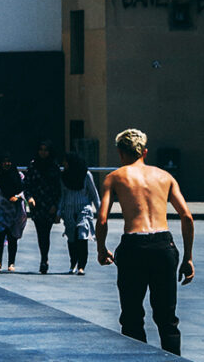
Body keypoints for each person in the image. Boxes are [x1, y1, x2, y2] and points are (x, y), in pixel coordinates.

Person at [97, 128, 194, 356]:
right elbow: (187, 217)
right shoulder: (165, 177)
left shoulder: (115, 177)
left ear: (120, 153)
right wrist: (188, 257)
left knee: (131, 316)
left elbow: (102, 219)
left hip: (133, 248)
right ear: (145, 152)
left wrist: (101, 249)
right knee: (167, 317)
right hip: (163, 246)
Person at [57, 153, 100, 275]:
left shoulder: (86, 175)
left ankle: (82, 265)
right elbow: (62, 195)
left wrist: (100, 211)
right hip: (69, 210)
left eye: (66, 161)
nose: (64, 164)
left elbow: (94, 194)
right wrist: (59, 212)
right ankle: (73, 263)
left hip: (84, 210)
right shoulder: (64, 176)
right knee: (71, 238)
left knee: (82, 235)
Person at [0, 156, 27, 272]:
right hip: (0, 209)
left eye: (9, 161)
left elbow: (25, 190)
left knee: (12, 236)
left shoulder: (19, 176)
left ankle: (11, 263)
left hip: (15, 210)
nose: (6, 164)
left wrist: (17, 197)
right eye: (4, 161)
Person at [24, 140, 61, 274]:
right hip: (37, 204)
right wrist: (29, 198)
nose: (43, 152)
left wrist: (55, 205)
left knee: (46, 232)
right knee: (40, 232)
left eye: (46, 150)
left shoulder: (54, 167)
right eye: (41, 149)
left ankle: (45, 258)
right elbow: (26, 185)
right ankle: (43, 258)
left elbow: (58, 188)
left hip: (49, 204)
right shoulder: (33, 166)